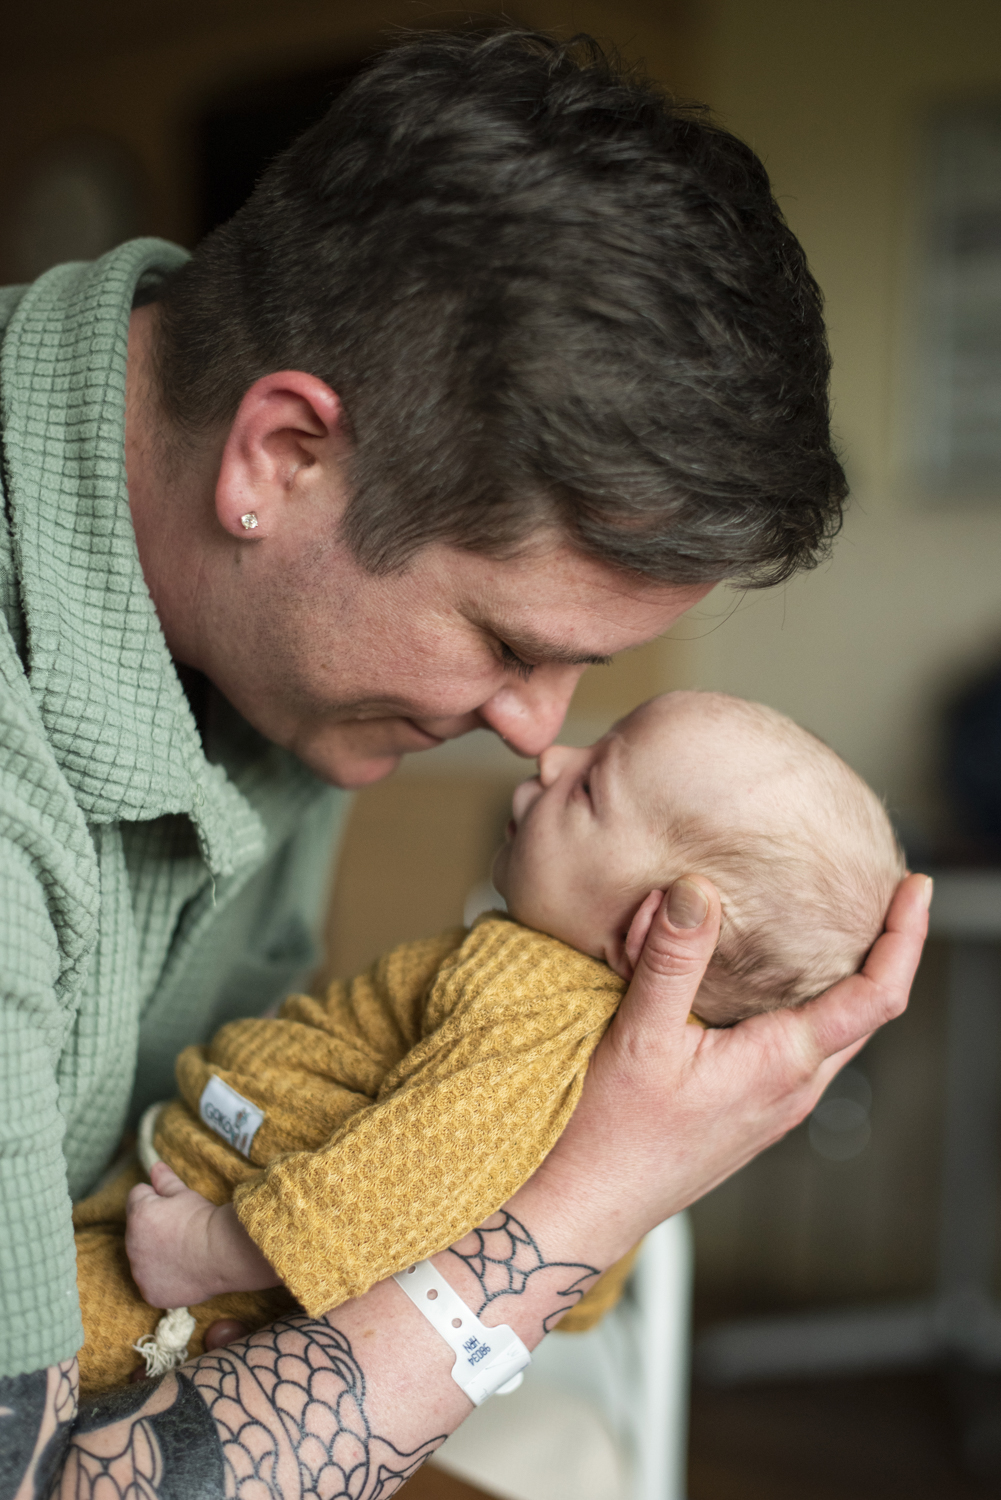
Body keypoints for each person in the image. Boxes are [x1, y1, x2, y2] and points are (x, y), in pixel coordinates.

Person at [0, 28, 929, 1500]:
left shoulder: (279, 644)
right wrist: (596, 1193)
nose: (526, 725)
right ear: (281, 456)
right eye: (508, 642)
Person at [71, 690, 907, 1396]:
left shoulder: (536, 1004)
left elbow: (409, 1167)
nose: (551, 758)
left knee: (49, 1339)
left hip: (204, 1276)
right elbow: (574, 1277)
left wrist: (208, 1252)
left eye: (590, 788)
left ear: (653, 927)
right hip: (240, 1245)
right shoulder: (619, 1061)